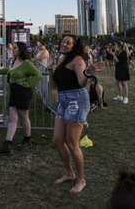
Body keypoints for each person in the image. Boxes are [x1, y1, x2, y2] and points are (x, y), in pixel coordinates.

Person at [48, 35, 90, 194]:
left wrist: (88, 73)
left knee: (72, 143)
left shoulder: (78, 60)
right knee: (58, 140)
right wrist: (50, 67)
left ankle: (81, 180)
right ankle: (69, 172)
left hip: (76, 100)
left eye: (68, 42)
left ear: (74, 46)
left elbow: (81, 83)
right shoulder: (62, 60)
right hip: (64, 100)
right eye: (63, 41)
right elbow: (53, 84)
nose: (64, 44)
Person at [0, 42, 42, 155]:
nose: (12, 50)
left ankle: (27, 139)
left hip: (23, 92)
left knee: (24, 117)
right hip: (14, 91)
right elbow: (10, 71)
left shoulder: (27, 63)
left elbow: (38, 75)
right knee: (13, 118)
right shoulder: (14, 61)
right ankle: (7, 144)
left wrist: (26, 84)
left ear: (20, 50)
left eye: (14, 48)